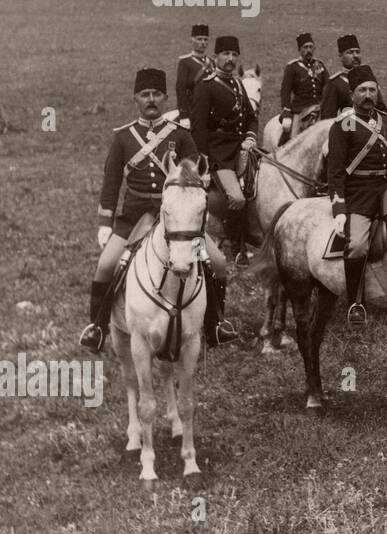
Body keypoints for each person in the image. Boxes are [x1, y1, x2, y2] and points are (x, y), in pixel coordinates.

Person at [80, 68, 238, 352]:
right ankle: (98, 327)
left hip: (178, 216)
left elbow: (195, 179)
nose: (151, 99)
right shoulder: (123, 138)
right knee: (106, 265)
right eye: (145, 95)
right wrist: (105, 223)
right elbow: (111, 182)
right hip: (134, 215)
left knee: (217, 262)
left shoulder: (181, 136)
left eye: (156, 94)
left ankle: (215, 325)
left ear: (166, 99)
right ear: (135, 99)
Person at [327, 65, 387, 326]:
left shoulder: (385, 121)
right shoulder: (342, 126)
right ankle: (355, 303)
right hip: (359, 195)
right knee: (358, 246)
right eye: (362, 90)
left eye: (372, 90)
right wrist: (340, 211)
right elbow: (336, 174)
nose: (368, 95)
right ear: (352, 94)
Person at [191, 35, 259, 265]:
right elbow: (198, 129)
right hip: (219, 154)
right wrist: (205, 164)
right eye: (226, 54)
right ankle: (236, 247)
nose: (230, 59)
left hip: (241, 149)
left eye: (234, 55)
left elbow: (251, 117)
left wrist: (250, 137)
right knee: (238, 199)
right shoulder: (206, 86)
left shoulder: (238, 83)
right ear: (216, 57)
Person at [321, 33, 387, 120]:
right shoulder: (335, 83)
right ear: (340, 56)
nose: (355, 56)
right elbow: (328, 117)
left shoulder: (369, 78)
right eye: (350, 52)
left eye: (357, 52)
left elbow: (381, 108)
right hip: (349, 129)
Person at [277, 32, 328, 144]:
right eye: (305, 47)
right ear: (300, 49)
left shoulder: (320, 65)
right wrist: (286, 112)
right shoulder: (292, 67)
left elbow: (328, 86)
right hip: (300, 109)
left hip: (319, 108)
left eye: (311, 47)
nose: (309, 50)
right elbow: (285, 91)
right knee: (292, 138)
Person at [175, 24, 213, 128]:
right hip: (192, 109)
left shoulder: (212, 63)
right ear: (192, 40)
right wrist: (183, 115)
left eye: (205, 39)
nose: (203, 42)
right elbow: (180, 89)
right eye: (199, 39)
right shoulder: (185, 62)